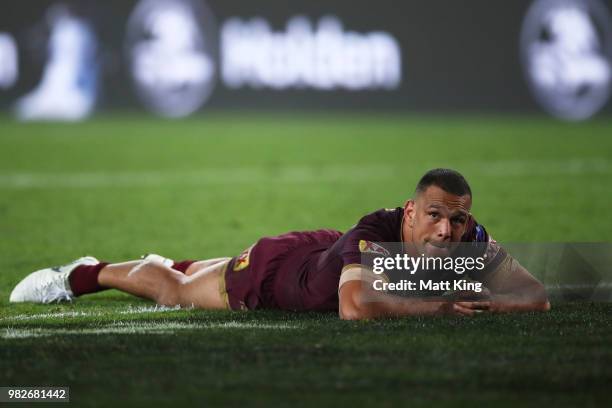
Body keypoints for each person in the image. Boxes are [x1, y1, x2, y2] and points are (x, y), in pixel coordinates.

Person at [9, 168, 550, 319]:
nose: (446, 233)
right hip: (277, 277)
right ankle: (82, 274)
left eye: (456, 223)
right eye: (434, 216)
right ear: (410, 212)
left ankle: (184, 266)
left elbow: (536, 295)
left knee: (200, 272)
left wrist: (493, 297)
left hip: (320, 253)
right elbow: (355, 309)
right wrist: (443, 308)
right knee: (175, 290)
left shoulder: (467, 235)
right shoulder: (374, 234)